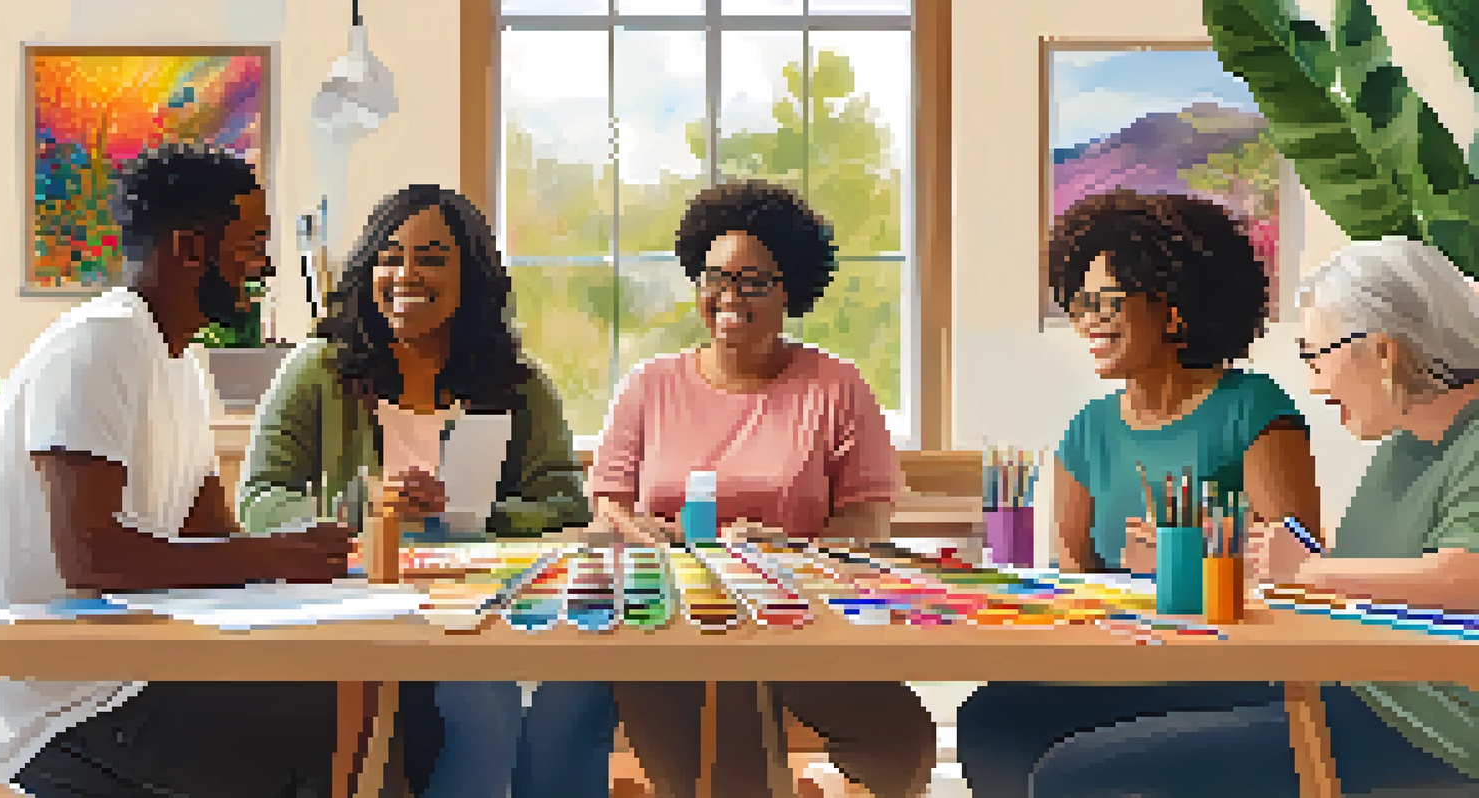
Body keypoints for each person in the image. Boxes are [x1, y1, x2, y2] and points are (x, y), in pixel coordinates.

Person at [0, 144, 353, 796]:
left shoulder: (179, 363)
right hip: (71, 710)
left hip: (136, 672)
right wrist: (275, 555)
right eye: (252, 244)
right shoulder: (98, 344)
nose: (265, 265)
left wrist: (319, 570)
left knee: (371, 695)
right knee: (346, 719)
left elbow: (211, 538)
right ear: (192, 249)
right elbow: (92, 558)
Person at [1028, 236, 1479, 797]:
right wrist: (1224, 556)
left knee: (1077, 777)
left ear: (1384, 353)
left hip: (1421, 726)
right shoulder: (1409, 440)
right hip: (1343, 682)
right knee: (1016, 719)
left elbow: (1468, 576)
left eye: (1317, 358)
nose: (1315, 385)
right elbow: (1377, 571)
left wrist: (1309, 571)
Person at [238, 184, 615, 798]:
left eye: (432, 257)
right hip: (366, 606)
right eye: (390, 256)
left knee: (553, 705)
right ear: (369, 271)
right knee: (477, 716)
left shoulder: (516, 381)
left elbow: (564, 503)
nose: (406, 273)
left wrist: (476, 516)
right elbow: (258, 500)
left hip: (487, 607)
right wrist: (369, 511)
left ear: (472, 275)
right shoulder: (321, 368)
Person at [956, 189, 1323, 798]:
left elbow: (1300, 569)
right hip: (1122, 659)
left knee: (1058, 761)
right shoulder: (1089, 429)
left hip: (1229, 669)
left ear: (1173, 308)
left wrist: (1195, 558)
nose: (1088, 321)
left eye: (1107, 301)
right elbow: (1073, 573)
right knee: (992, 721)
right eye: (1079, 302)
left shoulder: (1252, 410)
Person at [592, 179, 936, 798]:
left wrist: (789, 550)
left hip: (803, 617)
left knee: (903, 742)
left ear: (792, 291)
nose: (729, 296)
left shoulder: (835, 386)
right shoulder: (648, 386)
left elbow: (869, 521)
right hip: (672, 621)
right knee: (729, 766)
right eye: (715, 277)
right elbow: (608, 503)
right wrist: (643, 531)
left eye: (753, 281)